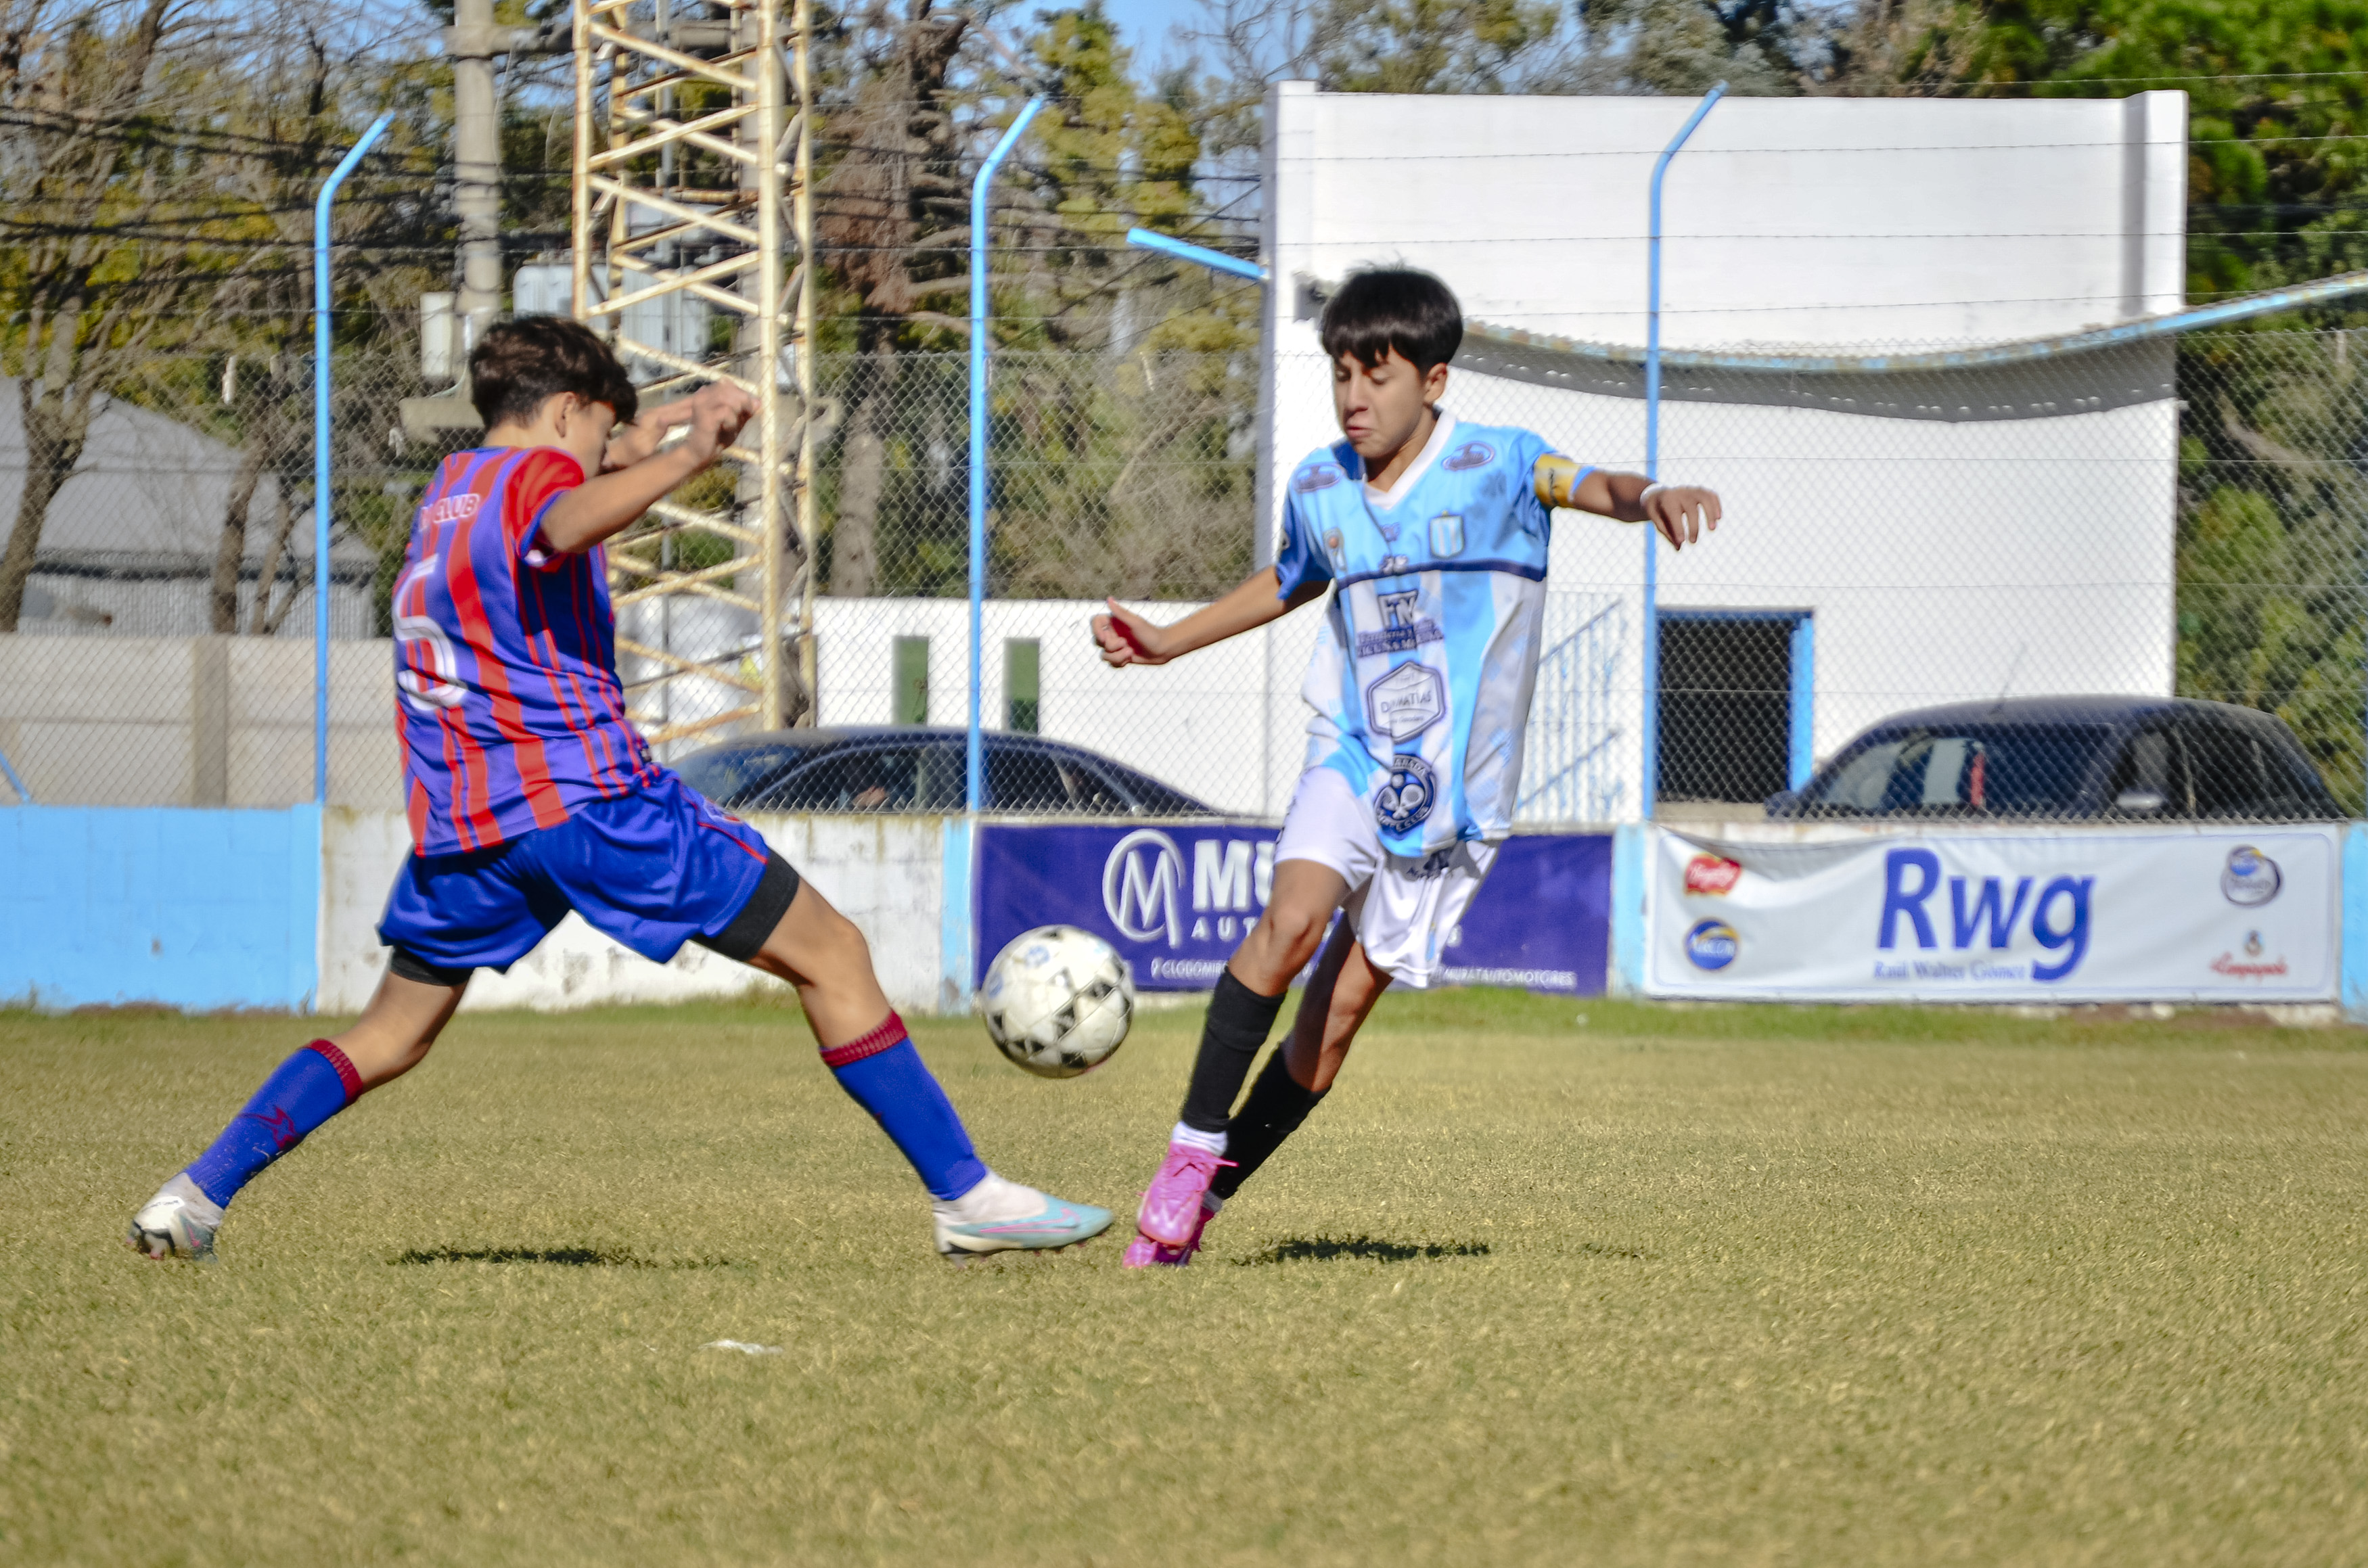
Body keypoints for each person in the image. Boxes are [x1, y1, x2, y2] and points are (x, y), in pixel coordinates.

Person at [129, 319, 1110, 1265]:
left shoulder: (453, 489)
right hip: (588, 803)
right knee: (833, 952)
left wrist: (677, 415)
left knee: (387, 1033)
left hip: (466, 830)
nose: (608, 447)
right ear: (564, 412)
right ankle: (969, 1197)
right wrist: (690, 460)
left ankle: (196, 1193)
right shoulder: (537, 485)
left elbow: (583, 467)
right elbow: (561, 519)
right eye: (600, 426)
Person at [1092, 267, 1723, 1267]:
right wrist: (1169, 641)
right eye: (1341, 372)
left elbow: (1586, 484)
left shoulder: (1501, 465)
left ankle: (1206, 1202)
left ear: (1433, 380)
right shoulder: (1319, 485)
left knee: (1328, 1034)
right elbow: (1290, 580)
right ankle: (1188, 1148)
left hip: (1456, 803)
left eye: (1375, 375)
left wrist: (1651, 497)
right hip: (1351, 749)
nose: (1353, 397)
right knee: (1289, 921)